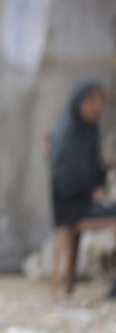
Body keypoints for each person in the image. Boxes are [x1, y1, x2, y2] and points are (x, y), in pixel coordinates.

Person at [49, 79, 116, 298]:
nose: (98, 107)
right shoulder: (68, 134)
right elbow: (65, 179)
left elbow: (90, 170)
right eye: (93, 101)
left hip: (84, 201)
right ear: (80, 103)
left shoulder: (87, 130)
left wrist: (104, 170)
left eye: (100, 101)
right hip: (71, 207)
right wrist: (92, 191)